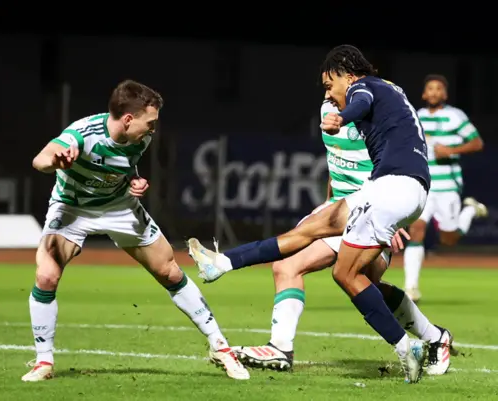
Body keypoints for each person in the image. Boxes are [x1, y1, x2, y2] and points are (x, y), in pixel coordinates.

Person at [188, 45, 437, 383]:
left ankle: (413, 346)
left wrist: (342, 117)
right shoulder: (389, 92)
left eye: (329, 83)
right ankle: (225, 267)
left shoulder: (362, 89)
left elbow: (360, 101)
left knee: (348, 276)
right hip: (392, 192)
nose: (328, 92)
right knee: (304, 246)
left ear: (347, 75)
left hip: (390, 191)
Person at [21, 79, 249, 382]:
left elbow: (124, 166)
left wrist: (134, 180)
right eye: (150, 122)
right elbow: (41, 159)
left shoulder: (141, 138)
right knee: (46, 275)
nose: (153, 128)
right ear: (128, 119)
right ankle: (44, 362)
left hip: (119, 207)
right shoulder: (82, 136)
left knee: (170, 272)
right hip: (73, 208)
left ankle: (220, 346)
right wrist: (55, 161)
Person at [403, 74, 487, 302]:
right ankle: (411, 288)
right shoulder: (416, 117)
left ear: (445, 94)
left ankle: (469, 211)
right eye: (430, 88)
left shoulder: (454, 116)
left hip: (448, 186)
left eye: (438, 89)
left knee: (449, 239)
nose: (433, 92)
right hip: (424, 185)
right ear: (423, 94)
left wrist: (450, 151)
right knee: (416, 231)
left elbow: (477, 143)